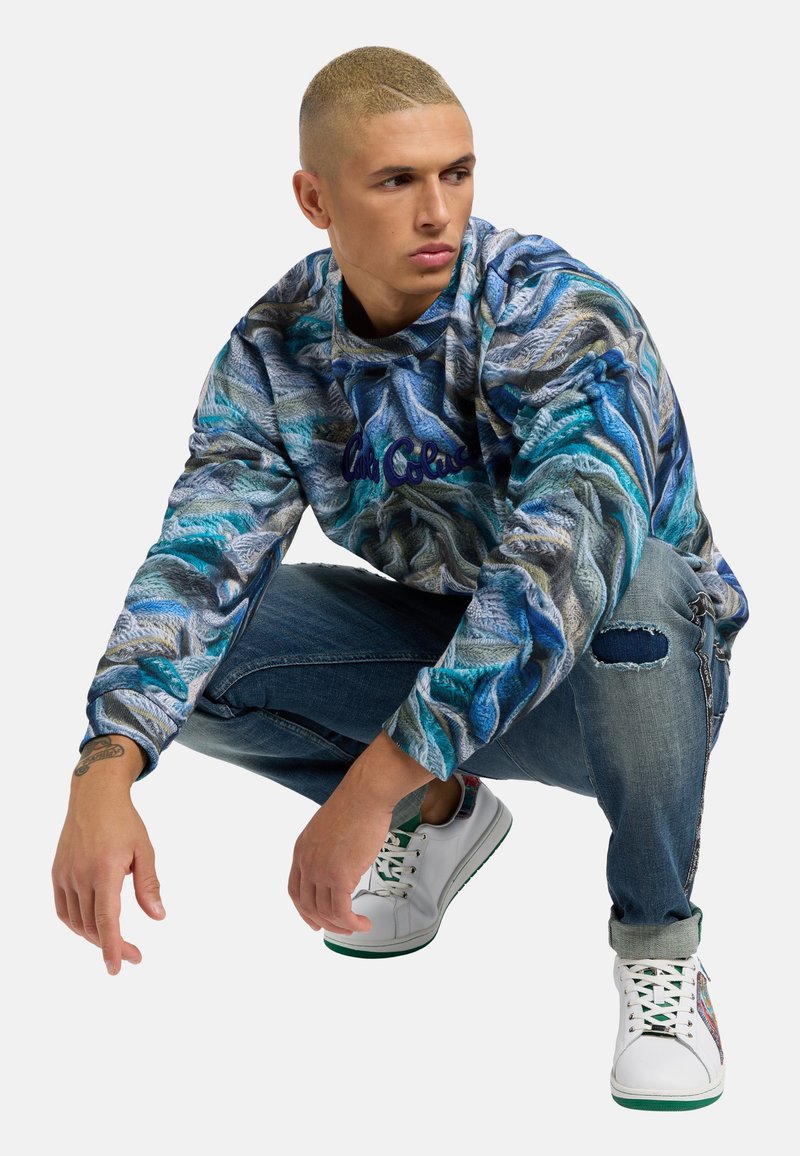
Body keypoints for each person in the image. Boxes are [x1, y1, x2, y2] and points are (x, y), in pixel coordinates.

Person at [51, 45, 748, 1111]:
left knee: (639, 583)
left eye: (456, 173)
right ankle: (442, 811)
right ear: (314, 199)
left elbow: (565, 564)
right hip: (445, 656)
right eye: (396, 180)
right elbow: (199, 559)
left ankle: (660, 949)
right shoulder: (276, 350)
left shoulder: (554, 310)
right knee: (209, 660)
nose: (438, 211)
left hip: (635, 682)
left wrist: (367, 787)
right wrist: (104, 771)